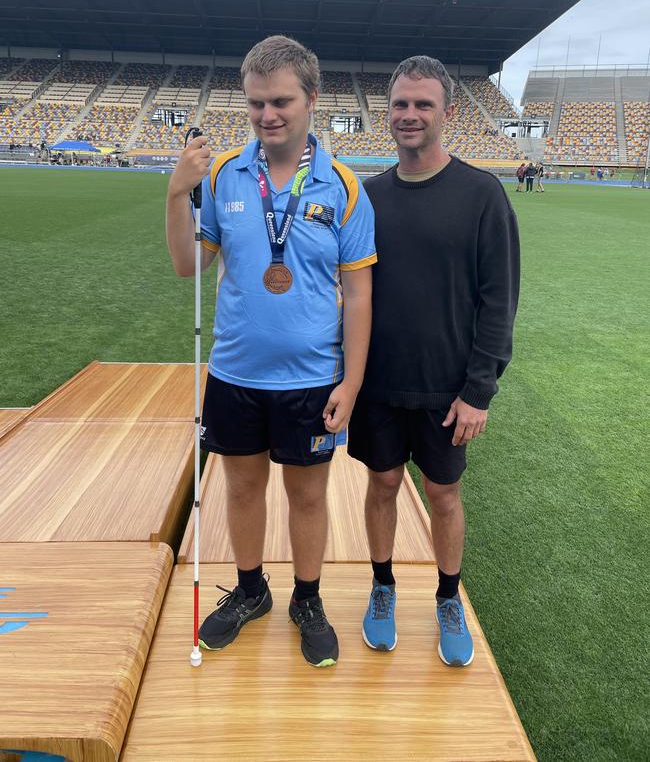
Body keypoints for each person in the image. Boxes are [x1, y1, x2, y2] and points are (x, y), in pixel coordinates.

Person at [166, 35, 376, 668]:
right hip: (234, 372)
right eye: (256, 103)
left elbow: (360, 296)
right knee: (242, 488)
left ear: (312, 100)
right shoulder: (225, 173)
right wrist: (177, 193)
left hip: (313, 378)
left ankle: (306, 599)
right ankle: (252, 588)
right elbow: (187, 267)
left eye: (281, 100)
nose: (268, 115)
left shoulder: (343, 186)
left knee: (308, 496)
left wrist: (352, 383)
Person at [348, 56, 519, 667]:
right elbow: (349, 292)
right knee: (383, 484)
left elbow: (499, 298)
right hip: (380, 384)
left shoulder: (481, 195)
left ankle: (448, 598)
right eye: (400, 104)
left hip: (449, 387)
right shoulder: (368, 199)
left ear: (447, 112)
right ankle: (383, 587)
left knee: (443, 496)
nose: (410, 115)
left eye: (423, 104)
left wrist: (479, 390)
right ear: (387, 113)